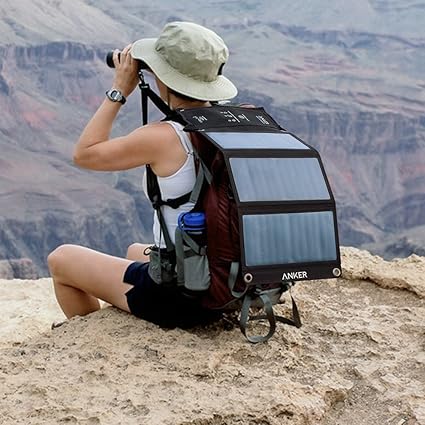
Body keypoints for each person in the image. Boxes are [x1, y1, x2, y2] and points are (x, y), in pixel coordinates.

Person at [47, 21, 237, 328]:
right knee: (135, 252)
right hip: (230, 282)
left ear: (161, 75)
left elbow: (84, 153)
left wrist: (120, 88)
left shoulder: (163, 137)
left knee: (61, 259)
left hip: (183, 298)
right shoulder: (231, 124)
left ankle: (95, 334)